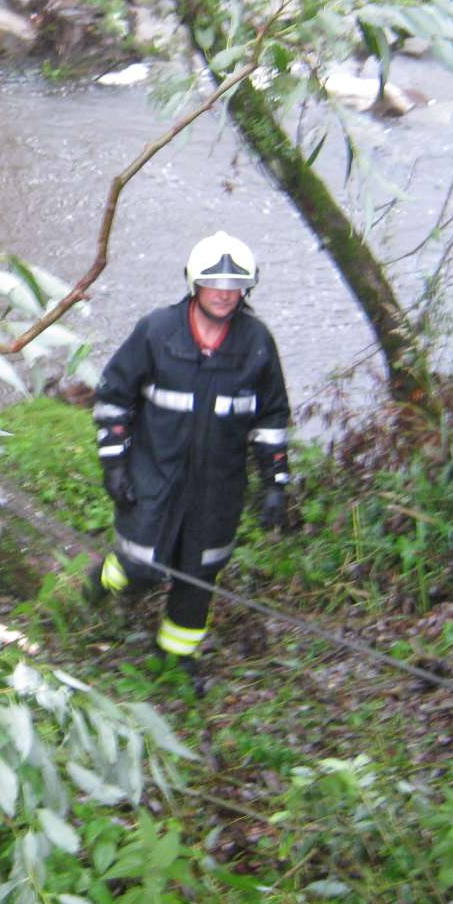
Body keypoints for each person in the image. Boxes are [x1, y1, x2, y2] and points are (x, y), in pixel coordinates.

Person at [89, 231, 292, 694]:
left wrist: (275, 483)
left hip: (218, 488)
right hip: (154, 477)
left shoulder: (257, 343)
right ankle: (101, 581)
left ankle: (175, 657)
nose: (224, 293)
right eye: (214, 283)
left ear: (246, 290)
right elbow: (114, 397)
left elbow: (271, 417)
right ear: (194, 283)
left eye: (235, 285)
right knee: (139, 566)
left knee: (199, 575)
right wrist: (114, 464)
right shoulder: (157, 332)